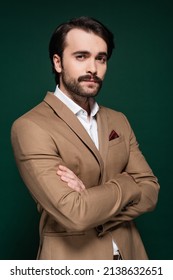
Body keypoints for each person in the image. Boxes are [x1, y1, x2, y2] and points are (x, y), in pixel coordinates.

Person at [11, 16, 160, 260]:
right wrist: (128, 183)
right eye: (81, 56)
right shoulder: (30, 126)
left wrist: (90, 200)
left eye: (100, 58)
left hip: (131, 257)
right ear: (58, 62)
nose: (93, 68)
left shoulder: (118, 120)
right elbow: (75, 214)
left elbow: (151, 192)